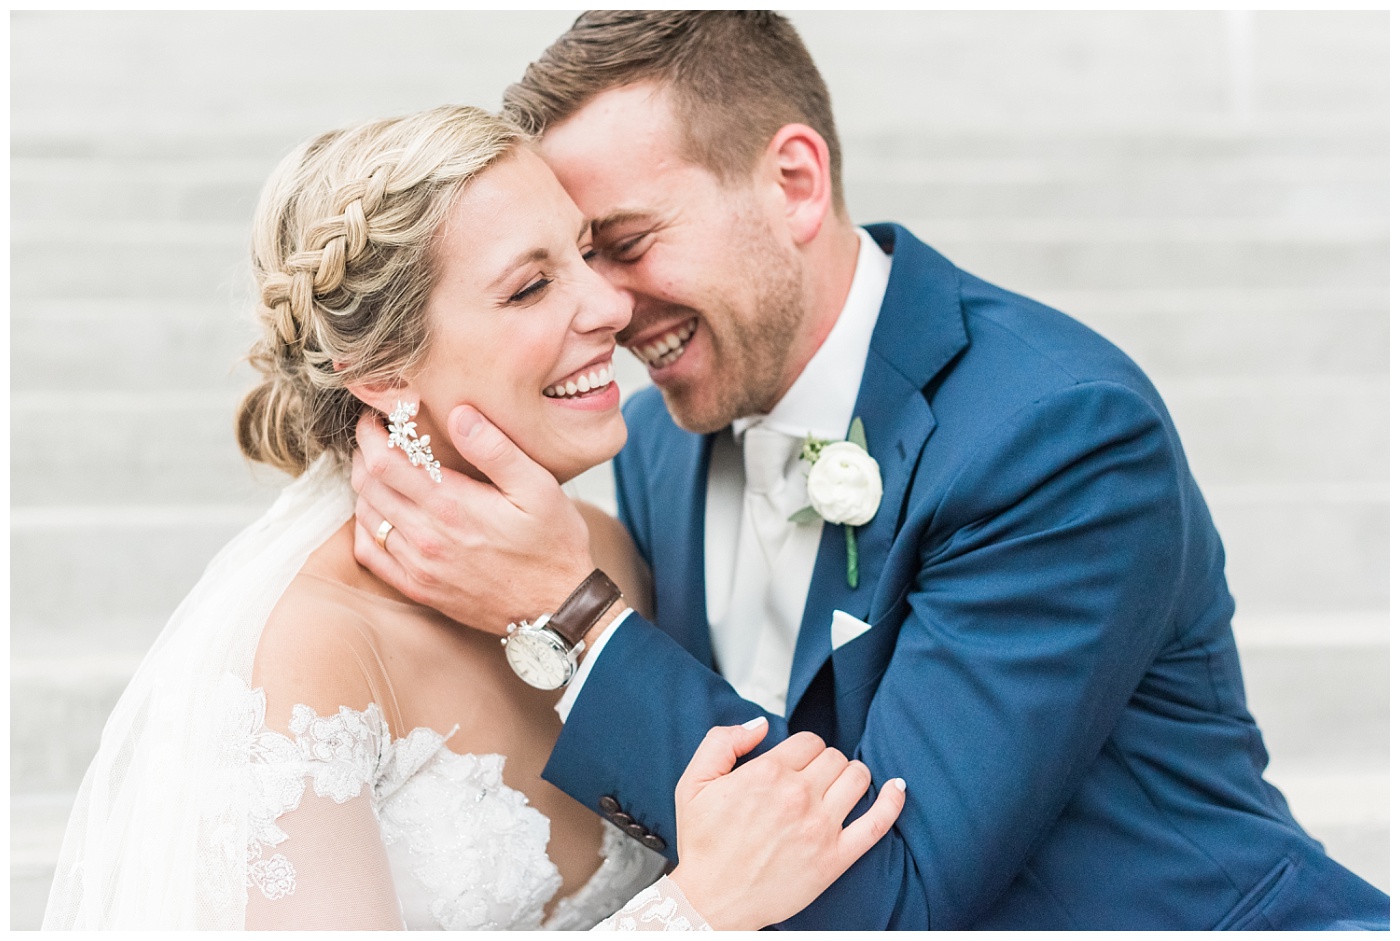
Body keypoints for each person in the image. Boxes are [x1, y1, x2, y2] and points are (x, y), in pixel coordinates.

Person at [348, 11, 1390, 931]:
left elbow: (889, 891)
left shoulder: (1054, 435)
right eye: (568, 259)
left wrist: (571, 612)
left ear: (793, 182)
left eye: (624, 242)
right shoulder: (658, 443)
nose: (605, 308)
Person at [41, 103, 906, 931]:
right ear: (380, 373)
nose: (611, 308)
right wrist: (697, 910)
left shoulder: (600, 552)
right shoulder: (311, 649)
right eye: (531, 287)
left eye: (586, 253)